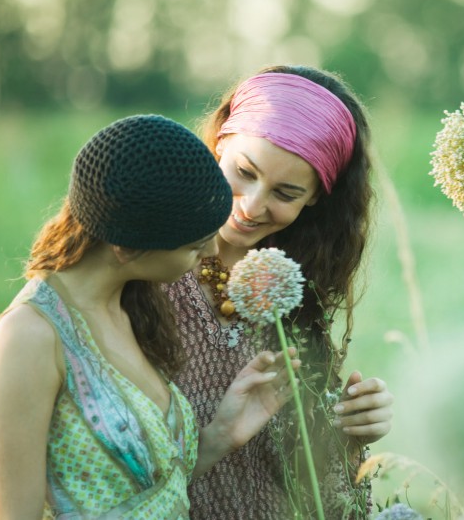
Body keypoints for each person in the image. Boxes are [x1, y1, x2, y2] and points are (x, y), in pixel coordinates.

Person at [0, 114, 299, 519]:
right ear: (126, 248)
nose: (211, 255)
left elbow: (149, 496)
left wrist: (221, 435)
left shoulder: (132, 308)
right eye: (195, 246)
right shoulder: (30, 336)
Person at [166, 65, 394, 519]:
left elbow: (297, 466)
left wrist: (352, 423)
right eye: (244, 172)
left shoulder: (292, 287)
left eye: (285, 193)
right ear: (219, 144)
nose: (251, 206)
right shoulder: (149, 272)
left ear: (315, 199)